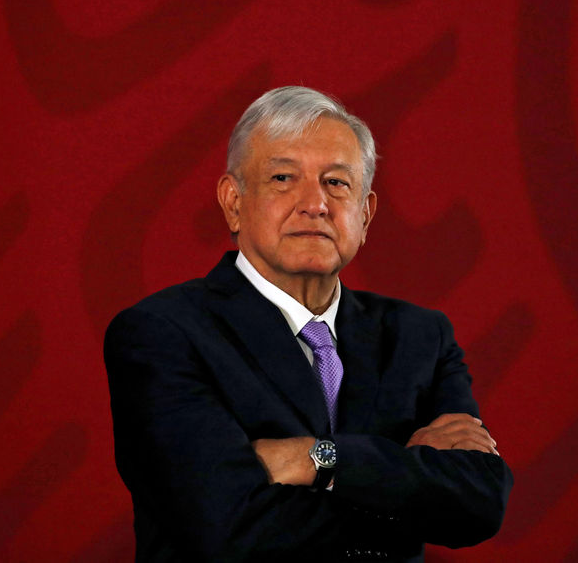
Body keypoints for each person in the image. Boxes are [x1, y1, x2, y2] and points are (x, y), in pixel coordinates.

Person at [104, 86, 513, 562]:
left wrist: (313, 458)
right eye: (282, 177)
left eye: (337, 183)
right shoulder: (162, 334)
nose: (315, 204)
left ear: (366, 213)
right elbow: (229, 528)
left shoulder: (420, 337)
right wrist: (404, 483)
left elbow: (479, 501)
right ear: (233, 201)